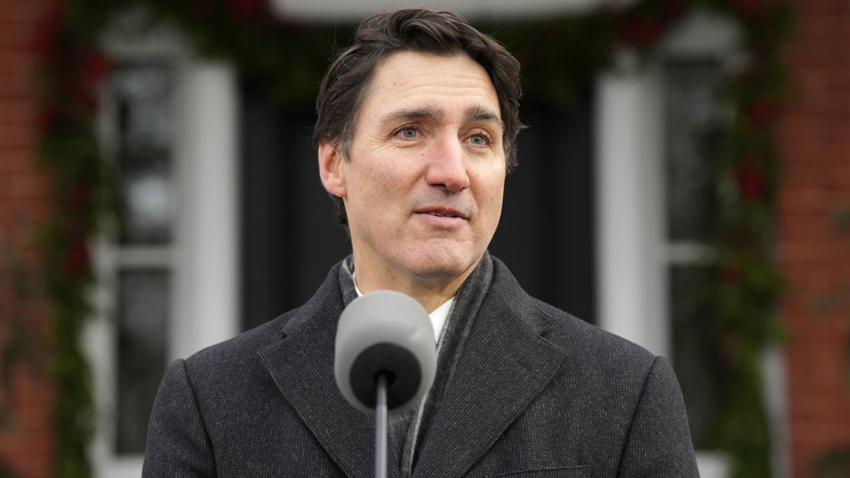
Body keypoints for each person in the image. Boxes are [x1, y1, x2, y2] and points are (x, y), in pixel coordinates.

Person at [143, 8, 699, 478]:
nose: (452, 172)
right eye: (410, 131)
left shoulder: (625, 395)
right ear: (335, 163)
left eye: (478, 138)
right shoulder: (209, 401)